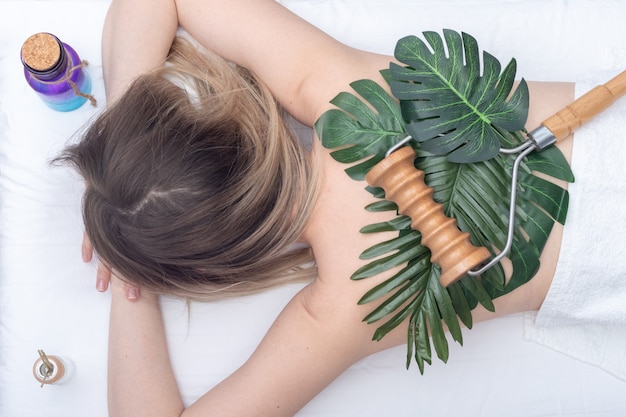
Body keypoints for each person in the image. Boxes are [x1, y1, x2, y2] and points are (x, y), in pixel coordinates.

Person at [57, 0, 588, 416]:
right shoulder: (335, 85)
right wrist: (125, 136)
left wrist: (133, 273)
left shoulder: (344, 309)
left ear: (208, 266)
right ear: (213, 121)